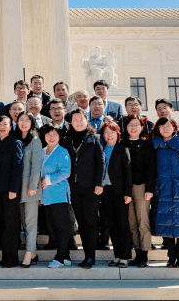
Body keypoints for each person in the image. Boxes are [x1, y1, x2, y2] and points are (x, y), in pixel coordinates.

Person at [62, 108, 104, 269]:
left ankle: (90, 256)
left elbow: (101, 162)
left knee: (91, 221)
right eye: (75, 120)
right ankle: (87, 255)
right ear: (71, 123)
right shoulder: (66, 140)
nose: (79, 122)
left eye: (81, 119)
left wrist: (99, 183)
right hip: (73, 187)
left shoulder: (95, 138)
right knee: (81, 222)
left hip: (92, 188)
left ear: (87, 120)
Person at [151, 117, 179, 267]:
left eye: (168, 126)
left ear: (174, 127)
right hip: (161, 188)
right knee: (165, 222)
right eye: (162, 126)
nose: (165, 129)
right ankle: (171, 256)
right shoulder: (155, 144)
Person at [122, 115, 156, 267]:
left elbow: (151, 168)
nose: (133, 127)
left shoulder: (146, 145)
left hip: (141, 187)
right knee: (131, 222)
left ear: (142, 128)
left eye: (136, 124)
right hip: (125, 188)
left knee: (143, 221)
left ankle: (145, 254)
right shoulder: (122, 144)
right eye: (130, 124)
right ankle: (137, 253)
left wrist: (149, 189)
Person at [98, 118, 133, 267]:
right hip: (105, 191)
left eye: (112, 132)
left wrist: (128, 193)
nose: (109, 135)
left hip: (119, 192)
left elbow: (128, 173)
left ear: (118, 134)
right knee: (111, 225)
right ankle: (117, 256)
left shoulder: (122, 149)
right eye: (106, 132)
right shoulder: (100, 148)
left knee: (122, 225)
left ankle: (125, 256)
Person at [0, 115, 23, 268]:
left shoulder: (15, 143)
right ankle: (5, 257)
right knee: (2, 224)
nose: (2, 127)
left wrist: (14, 189)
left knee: (11, 225)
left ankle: (11, 259)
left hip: (10, 191)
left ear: (11, 127)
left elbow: (18, 167)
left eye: (6, 124)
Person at [40, 125, 72, 268]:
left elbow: (66, 172)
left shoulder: (62, 151)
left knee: (61, 227)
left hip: (59, 194)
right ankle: (66, 256)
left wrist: (48, 180)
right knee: (53, 226)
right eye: (48, 134)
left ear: (59, 136)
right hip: (46, 196)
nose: (51, 137)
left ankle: (59, 257)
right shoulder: (41, 152)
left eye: (54, 134)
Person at [16, 112, 43, 268]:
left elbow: (36, 165)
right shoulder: (17, 140)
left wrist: (33, 186)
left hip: (31, 188)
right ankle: (33, 253)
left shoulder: (35, 141)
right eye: (21, 120)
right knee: (25, 224)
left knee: (31, 223)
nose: (23, 123)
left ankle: (28, 254)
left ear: (32, 123)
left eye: (27, 120)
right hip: (18, 188)